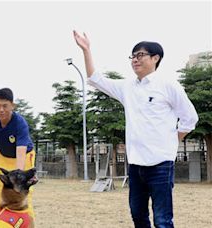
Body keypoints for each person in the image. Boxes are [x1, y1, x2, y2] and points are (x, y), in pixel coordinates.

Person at [73, 30, 198, 227]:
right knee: (138, 216)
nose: (135, 60)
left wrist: (174, 140)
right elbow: (95, 79)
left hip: (161, 163)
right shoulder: (127, 87)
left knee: (163, 220)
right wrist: (87, 50)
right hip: (136, 163)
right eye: (133, 56)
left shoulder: (168, 85)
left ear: (155, 58)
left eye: (140, 55)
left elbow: (190, 118)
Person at [0, 88, 36, 219]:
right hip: (2, 157)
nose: (1, 110)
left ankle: (25, 224)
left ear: (12, 106)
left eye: (5, 106)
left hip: (24, 156)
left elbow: (20, 151)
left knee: (23, 194)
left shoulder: (20, 123)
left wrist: (19, 178)